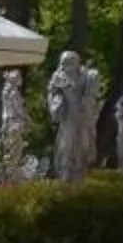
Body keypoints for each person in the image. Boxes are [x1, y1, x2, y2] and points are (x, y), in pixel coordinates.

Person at [46, 50, 100, 184]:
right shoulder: (58, 77)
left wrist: (87, 99)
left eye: (71, 62)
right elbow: (52, 94)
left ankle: (79, 173)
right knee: (67, 144)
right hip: (68, 117)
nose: (67, 65)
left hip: (83, 116)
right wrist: (57, 104)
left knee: (83, 144)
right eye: (65, 63)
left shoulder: (86, 75)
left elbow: (91, 93)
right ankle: (65, 173)